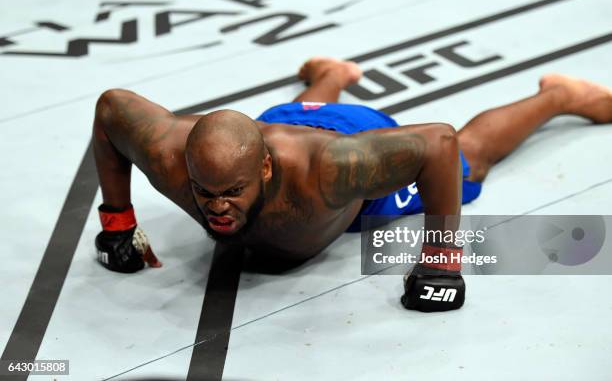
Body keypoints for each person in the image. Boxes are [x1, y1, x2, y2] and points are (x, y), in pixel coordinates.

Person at [92, 57, 612, 312]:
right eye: (206, 193)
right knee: (296, 113)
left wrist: (440, 260)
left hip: (351, 146)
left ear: (264, 171)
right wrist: (118, 224)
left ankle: (558, 96)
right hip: (280, 121)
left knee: (470, 160)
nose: (217, 208)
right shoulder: (173, 157)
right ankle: (330, 73)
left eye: (232, 192)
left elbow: (439, 143)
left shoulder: (338, 171)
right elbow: (112, 105)